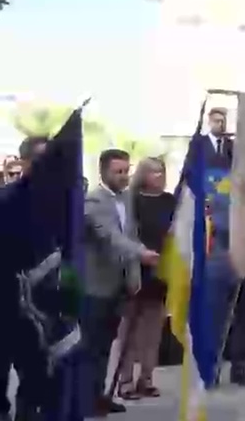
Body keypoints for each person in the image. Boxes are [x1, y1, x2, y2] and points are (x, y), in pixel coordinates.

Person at [81, 149, 161, 418]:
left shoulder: (126, 198)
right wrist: (142, 253)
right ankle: (85, 399)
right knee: (91, 346)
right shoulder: (93, 201)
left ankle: (99, 396)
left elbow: (131, 233)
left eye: (127, 170)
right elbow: (111, 237)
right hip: (95, 286)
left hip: (119, 285)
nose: (124, 176)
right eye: (118, 171)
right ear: (102, 172)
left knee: (106, 345)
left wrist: (135, 275)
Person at [115, 158, 177, 400]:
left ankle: (147, 378)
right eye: (153, 171)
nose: (159, 175)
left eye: (161, 170)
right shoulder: (131, 199)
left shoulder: (170, 200)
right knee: (129, 329)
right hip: (136, 267)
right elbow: (126, 232)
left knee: (153, 330)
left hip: (161, 269)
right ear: (143, 174)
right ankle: (126, 380)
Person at [0, 135, 48, 421]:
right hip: (6, 295)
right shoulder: (5, 199)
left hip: (47, 300)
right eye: (40, 159)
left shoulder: (65, 201)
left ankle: (31, 411)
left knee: (38, 365)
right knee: (0, 363)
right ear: (25, 162)